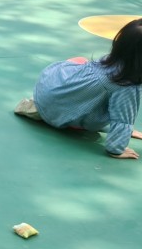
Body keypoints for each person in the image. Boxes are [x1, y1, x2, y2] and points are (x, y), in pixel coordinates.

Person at [15, 19, 142, 159]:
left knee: (80, 61)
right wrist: (118, 147)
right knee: (112, 106)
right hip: (59, 114)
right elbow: (122, 118)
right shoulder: (127, 86)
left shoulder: (110, 61)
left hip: (47, 88)